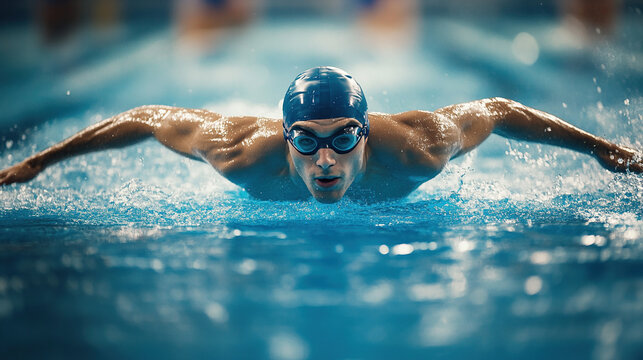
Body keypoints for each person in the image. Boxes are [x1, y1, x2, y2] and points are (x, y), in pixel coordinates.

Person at [0, 66, 641, 203]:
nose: (326, 158)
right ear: (284, 139)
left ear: (366, 136)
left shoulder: (418, 148)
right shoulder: (239, 154)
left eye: (343, 138)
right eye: (305, 140)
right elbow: (142, 116)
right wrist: (41, 161)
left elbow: (499, 107)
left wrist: (603, 149)